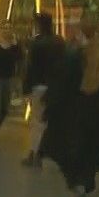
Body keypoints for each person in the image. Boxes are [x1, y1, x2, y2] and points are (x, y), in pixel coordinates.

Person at [42, 21, 99, 197]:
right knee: (89, 158)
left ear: (81, 35)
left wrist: (50, 110)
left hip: (73, 120)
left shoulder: (73, 58)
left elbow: (60, 89)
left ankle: (77, 187)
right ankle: (84, 186)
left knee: (71, 157)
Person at [23, 13, 65, 167]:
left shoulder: (36, 44)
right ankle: (50, 152)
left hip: (39, 85)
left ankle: (35, 153)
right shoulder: (59, 42)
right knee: (52, 121)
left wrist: (26, 89)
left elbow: (30, 67)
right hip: (56, 86)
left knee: (37, 120)